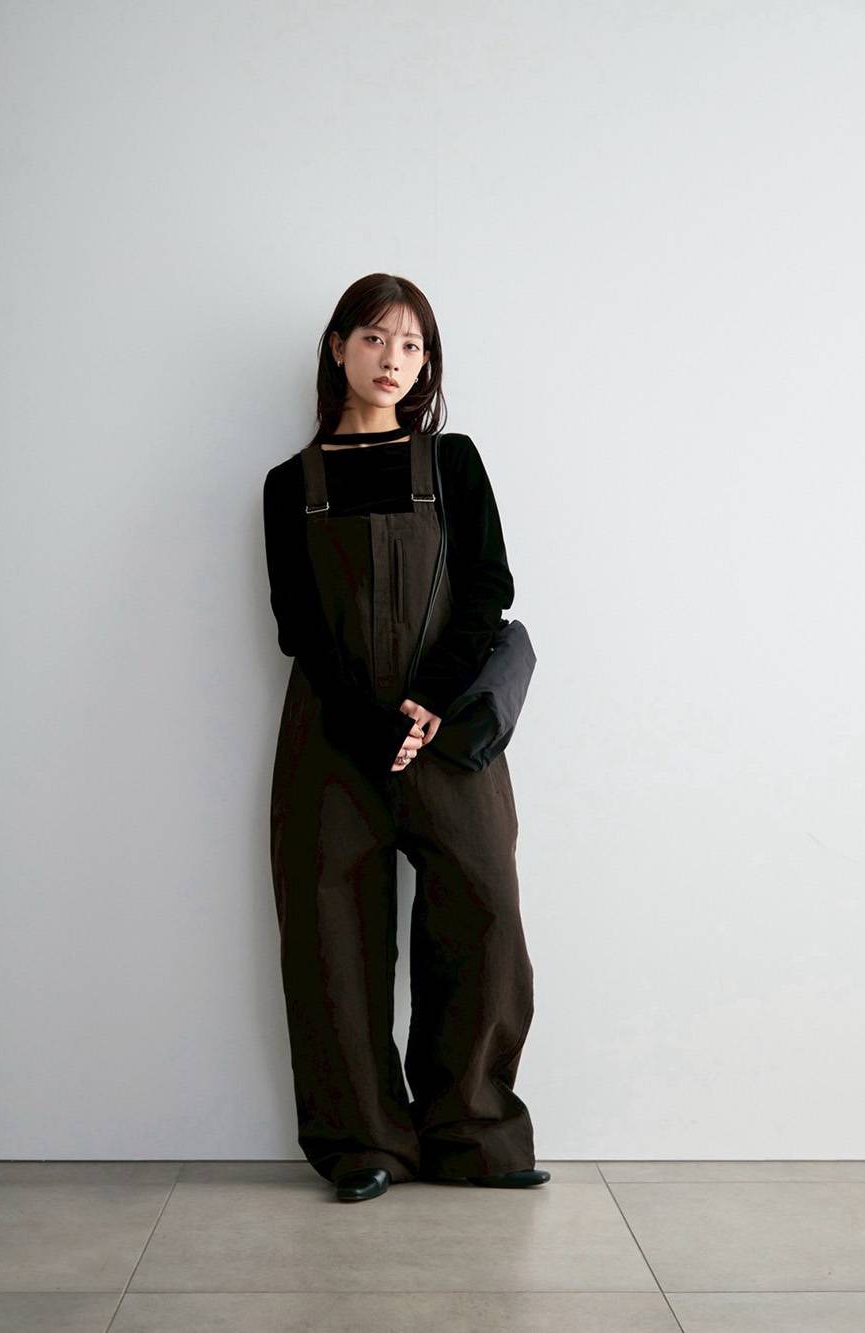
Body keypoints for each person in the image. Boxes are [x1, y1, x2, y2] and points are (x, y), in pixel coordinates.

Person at [263, 273, 548, 1203]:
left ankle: (473, 1133)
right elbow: (298, 625)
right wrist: (370, 719)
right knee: (330, 932)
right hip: (332, 735)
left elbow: (488, 588)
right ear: (338, 347)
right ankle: (363, 1144)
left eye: (413, 345)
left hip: (449, 730)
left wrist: (425, 700)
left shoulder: (451, 462)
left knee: (484, 911)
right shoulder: (290, 485)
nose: (395, 360)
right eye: (377, 339)